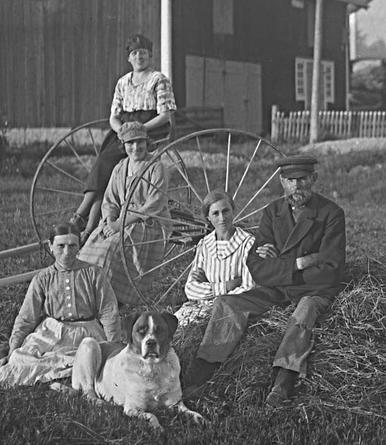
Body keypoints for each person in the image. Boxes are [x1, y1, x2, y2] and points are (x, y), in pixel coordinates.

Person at [181, 155, 347, 407]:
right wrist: (299, 263)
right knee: (228, 302)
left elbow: (330, 270)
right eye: (290, 180)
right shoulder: (273, 213)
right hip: (277, 288)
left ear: (313, 179)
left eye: (302, 179)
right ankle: (204, 372)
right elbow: (256, 267)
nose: (296, 186)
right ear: (282, 182)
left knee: (303, 313)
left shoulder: (330, 214)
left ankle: (283, 382)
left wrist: (278, 263)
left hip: (315, 290)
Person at [73, 33, 176, 240]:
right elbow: (113, 116)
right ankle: (89, 224)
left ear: (150, 56)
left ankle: (80, 216)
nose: (140, 57)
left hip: (150, 127)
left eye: (144, 53)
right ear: (128, 57)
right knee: (107, 166)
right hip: (124, 129)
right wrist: (121, 130)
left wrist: (139, 130)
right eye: (135, 53)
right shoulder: (123, 82)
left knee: (105, 162)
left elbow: (166, 115)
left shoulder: (158, 80)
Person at [0, 223, 121, 387]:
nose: (67, 252)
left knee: (95, 359)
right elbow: (27, 317)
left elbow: (109, 312)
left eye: (72, 245)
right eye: (61, 246)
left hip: (86, 332)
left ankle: (70, 374)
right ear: (51, 246)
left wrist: (114, 347)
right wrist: (12, 350)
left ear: (79, 246)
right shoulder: (42, 278)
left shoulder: (94, 273)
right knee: (19, 358)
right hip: (51, 331)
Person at [76, 122, 173, 308]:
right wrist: (110, 220)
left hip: (147, 222)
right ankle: (87, 295)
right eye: (130, 143)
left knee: (110, 250)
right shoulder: (121, 167)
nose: (135, 147)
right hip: (120, 220)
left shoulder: (156, 167)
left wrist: (120, 224)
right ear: (123, 144)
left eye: (139, 142)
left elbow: (154, 204)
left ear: (147, 142)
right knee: (91, 246)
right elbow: (110, 199)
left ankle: (112, 299)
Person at [173, 189, 256, 329]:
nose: (222, 218)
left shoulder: (247, 243)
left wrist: (211, 293)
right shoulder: (205, 245)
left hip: (230, 308)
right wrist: (227, 285)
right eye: (215, 214)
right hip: (201, 307)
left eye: (226, 211)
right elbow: (190, 289)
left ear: (233, 211)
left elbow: (248, 287)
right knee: (172, 328)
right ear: (208, 218)